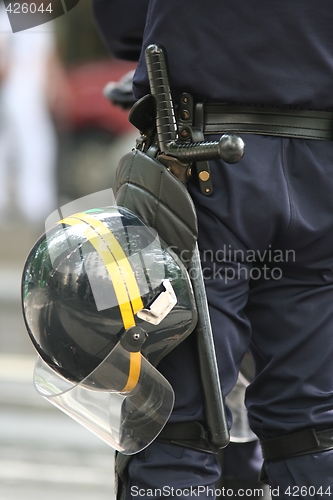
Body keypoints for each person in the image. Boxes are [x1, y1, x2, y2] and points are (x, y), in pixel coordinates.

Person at [92, 1, 333, 498]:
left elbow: (121, 24)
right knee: (311, 428)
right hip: (319, 166)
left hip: (202, 164)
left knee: (176, 423)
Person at [0, 3, 58, 228]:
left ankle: (34, 201)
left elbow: (47, 57)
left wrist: (52, 85)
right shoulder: (12, 18)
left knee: (29, 144)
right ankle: (32, 201)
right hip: (16, 89)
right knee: (29, 143)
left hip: (28, 89)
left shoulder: (38, 18)